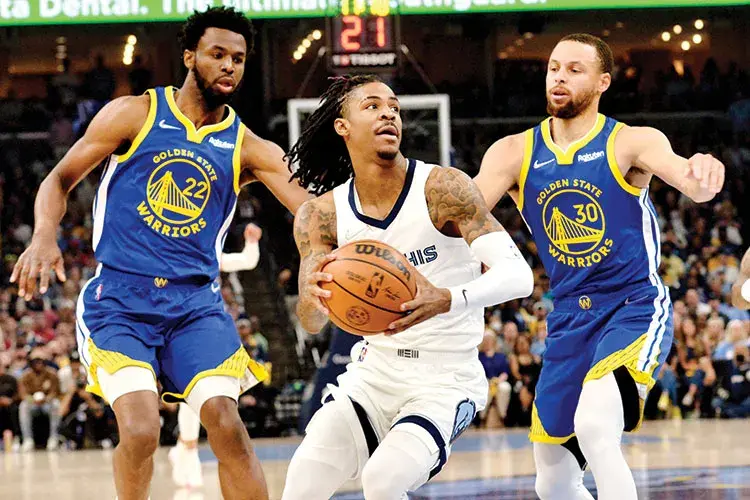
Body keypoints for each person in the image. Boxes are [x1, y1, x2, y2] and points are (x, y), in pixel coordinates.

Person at [10, 7, 310, 500]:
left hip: (195, 306)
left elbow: (314, 211)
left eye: (238, 58)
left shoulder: (248, 146)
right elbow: (59, 178)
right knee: (142, 428)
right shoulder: (135, 113)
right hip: (120, 300)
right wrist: (45, 234)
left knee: (228, 426)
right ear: (190, 56)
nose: (228, 65)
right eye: (217, 54)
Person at [474, 33, 725, 500]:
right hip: (569, 315)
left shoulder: (631, 142)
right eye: (554, 68)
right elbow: (462, 220)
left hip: (633, 306)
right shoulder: (512, 152)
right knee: (552, 481)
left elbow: (692, 183)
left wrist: (704, 172)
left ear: (602, 81)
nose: (559, 77)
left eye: (575, 69)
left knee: (594, 426)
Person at [281, 75, 534, 500]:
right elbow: (310, 323)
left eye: (394, 108)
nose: (389, 114)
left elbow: (519, 275)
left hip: (445, 378)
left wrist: (447, 299)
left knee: (383, 480)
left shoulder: (442, 188)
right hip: (374, 373)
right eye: (373, 106)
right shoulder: (320, 215)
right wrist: (312, 296)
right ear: (343, 127)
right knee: (302, 483)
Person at [169, 222, 262, 489]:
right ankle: (187, 450)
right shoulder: (164, 256)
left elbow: (247, 260)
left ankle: (186, 449)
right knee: (187, 397)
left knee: (207, 396)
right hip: (174, 329)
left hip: (207, 329)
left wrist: (252, 241)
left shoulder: (207, 253)